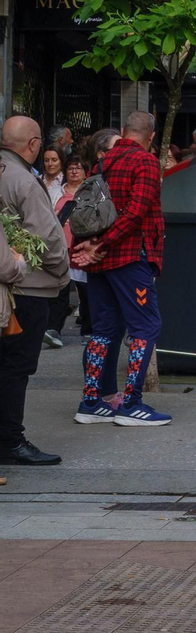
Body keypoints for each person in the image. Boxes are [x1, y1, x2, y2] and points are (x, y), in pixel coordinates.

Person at [71, 111, 172, 427]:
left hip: (101, 262)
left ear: (125, 131)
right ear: (151, 136)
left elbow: (92, 209)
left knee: (104, 328)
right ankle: (131, 403)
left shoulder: (103, 161)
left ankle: (91, 401)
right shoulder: (145, 162)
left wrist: (94, 244)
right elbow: (136, 212)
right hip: (129, 257)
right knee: (146, 326)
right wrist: (102, 245)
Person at [0, 117, 70, 466]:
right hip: (26, 287)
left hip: (12, 287)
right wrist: (61, 273)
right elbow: (47, 239)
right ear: (32, 144)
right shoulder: (23, 181)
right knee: (16, 366)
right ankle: (11, 440)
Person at [48, 156, 86, 343]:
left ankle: (89, 328)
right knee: (61, 287)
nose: (74, 171)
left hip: (82, 246)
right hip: (61, 246)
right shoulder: (56, 192)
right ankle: (54, 329)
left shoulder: (90, 192)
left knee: (85, 289)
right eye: (70, 168)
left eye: (78, 168)